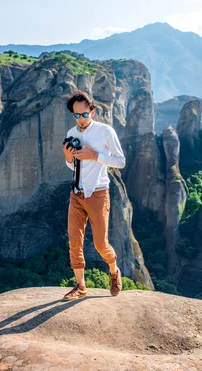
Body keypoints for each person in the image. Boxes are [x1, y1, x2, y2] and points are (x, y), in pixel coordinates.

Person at [62, 90, 126, 301]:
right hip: (76, 193)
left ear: (93, 111)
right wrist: (68, 157)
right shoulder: (72, 133)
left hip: (98, 193)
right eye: (76, 115)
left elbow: (120, 161)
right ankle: (80, 285)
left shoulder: (105, 132)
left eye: (84, 114)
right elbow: (72, 166)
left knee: (100, 244)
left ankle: (114, 271)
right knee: (74, 242)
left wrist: (95, 155)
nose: (81, 119)